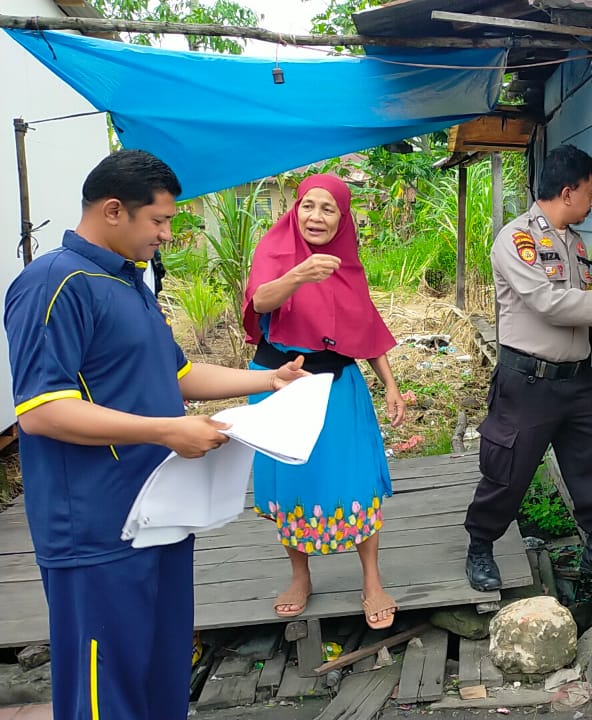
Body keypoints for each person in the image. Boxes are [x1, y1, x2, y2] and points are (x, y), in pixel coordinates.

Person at [4, 149, 308, 720]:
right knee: (106, 681)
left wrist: (270, 377)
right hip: (95, 527)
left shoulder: (128, 283)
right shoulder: (55, 283)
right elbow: (41, 410)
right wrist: (169, 430)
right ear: (114, 210)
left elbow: (180, 375)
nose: (167, 234)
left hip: (160, 511)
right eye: (159, 221)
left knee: (161, 666)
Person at [464, 145, 592, 591]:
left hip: (576, 379)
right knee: (508, 469)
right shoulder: (517, 238)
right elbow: (547, 304)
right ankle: (481, 547)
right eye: (589, 193)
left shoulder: (573, 241)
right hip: (527, 380)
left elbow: (578, 308)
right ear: (568, 192)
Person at [242, 173, 406, 630]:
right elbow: (259, 302)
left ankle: (372, 581)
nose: (316, 216)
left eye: (328, 208)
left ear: (342, 217)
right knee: (291, 479)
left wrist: (390, 383)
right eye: (308, 206)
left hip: (337, 385)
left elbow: (365, 326)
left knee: (357, 482)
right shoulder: (274, 251)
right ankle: (300, 577)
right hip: (280, 383)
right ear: (296, 209)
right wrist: (298, 274)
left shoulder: (346, 264)